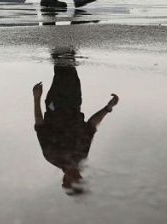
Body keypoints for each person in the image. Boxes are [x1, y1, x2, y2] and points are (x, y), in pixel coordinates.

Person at [33, 48, 119, 194]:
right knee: (69, 67)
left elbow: (40, 124)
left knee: (63, 67)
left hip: (56, 105)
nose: (78, 177)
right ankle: (62, 33)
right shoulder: (81, 156)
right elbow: (91, 126)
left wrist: (36, 98)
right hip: (74, 102)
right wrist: (108, 108)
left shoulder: (52, 156)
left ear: (65, 180)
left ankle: (57, 32)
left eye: (75, 181)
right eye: (80, 180)